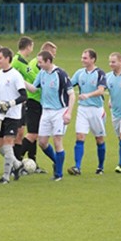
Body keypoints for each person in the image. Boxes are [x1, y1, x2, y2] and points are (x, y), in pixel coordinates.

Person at [24, 50, 74, 181]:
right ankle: (57, 162)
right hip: (45, 111)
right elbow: (34, 89)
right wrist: (20, 81)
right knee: (42, 142)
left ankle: (58, 174)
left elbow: (72, 94)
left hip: (59, 112)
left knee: (57, 141)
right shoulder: (42, 73)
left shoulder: (61, 74)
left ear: (48, 61)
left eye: (40, 62)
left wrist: (68, 113)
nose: (38, 64)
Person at [0, 47, 28, 184]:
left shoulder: (15, 75)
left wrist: (10, 104)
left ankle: (6, 177)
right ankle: (17, 164)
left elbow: (24, 96)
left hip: (12, 116)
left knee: (8, 145)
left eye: (0, 58)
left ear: (8, 58)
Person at [68, 49, 108, 175]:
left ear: (92, 59)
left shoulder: (100, 73)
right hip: (82, 109)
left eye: (85, 58)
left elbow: (101, 90)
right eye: (82, 57)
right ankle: (77, 167)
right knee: (79, 136)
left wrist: (88, 95)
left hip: (96, 110)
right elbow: (68, 85)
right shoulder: (79, 73)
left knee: (99, 139)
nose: (82, 60)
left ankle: (100, 166)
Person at [23, 41, 57, 174]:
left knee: (35, 134)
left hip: (38, 102)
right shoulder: (38, 66)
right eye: (53, 54)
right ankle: (15, 161)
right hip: (34, 102)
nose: (54, 58)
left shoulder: (33, 63)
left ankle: (33, 162)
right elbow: (37, 85)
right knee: (32, 134)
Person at [11, 36, 34, 162]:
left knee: (19, 133)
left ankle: (17, 162)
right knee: (18, 134)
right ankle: (16, 162)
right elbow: (33, 76)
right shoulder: (20, 61)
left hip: (18, 101)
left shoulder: (15, 59)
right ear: (28, 46)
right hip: (18, 101)